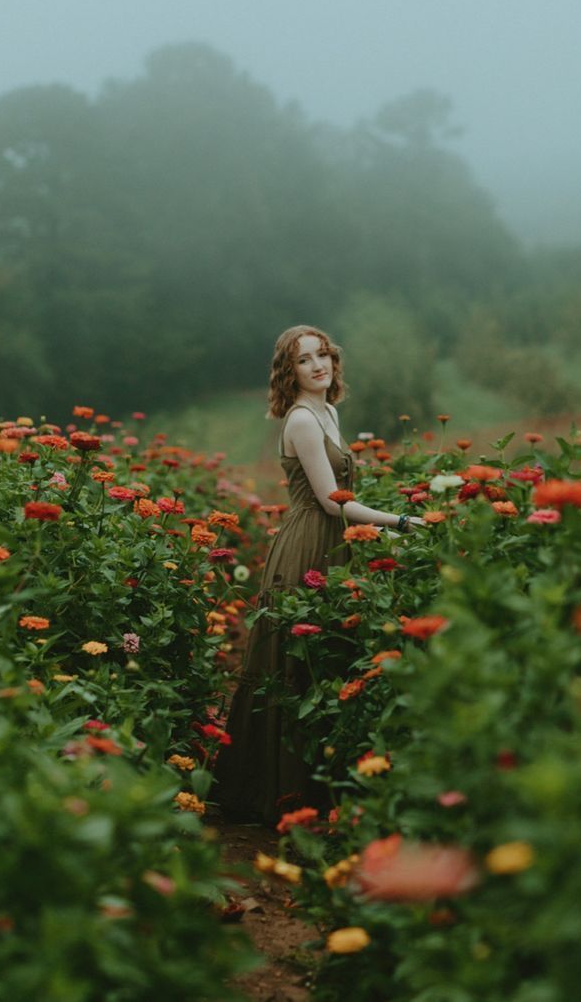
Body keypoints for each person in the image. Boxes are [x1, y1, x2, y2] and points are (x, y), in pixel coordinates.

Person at [213, 325, 422, 824]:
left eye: (322, 354)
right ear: (291, 373)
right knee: (297, 664)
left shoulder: (329, 410)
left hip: (334, 539)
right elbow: (333, 503)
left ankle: (324, 791)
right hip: (311, 542)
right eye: (304, 360)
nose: (317, 365)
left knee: (327, 659)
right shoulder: (303, 420)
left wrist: (385, 532)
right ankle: (277, 795)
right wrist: (399, 523)